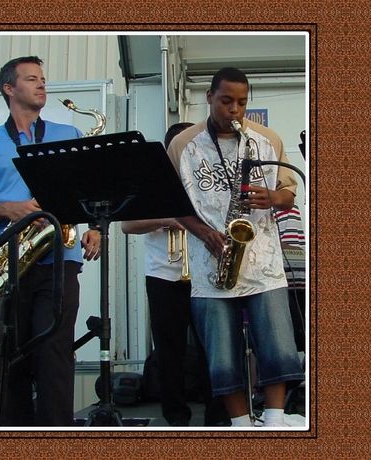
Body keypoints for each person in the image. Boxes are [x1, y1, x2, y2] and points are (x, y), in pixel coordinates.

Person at [0, 56, 101, 426]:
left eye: (43, 79)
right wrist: (9, 209)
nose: (42, 85)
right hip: (8, 262)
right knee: (10, 359)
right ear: (9, 88)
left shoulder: (67, 135)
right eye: (32, 79)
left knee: (55, 355)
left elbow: (89, 188)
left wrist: (95, 226)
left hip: (60, 259)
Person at [166, 67, 304, 428]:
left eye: (242, 102)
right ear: (209, 97)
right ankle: (241, 425)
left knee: (277, 346)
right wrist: (203, 232)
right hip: (211, 262)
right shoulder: (183, 144)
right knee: (222, 356)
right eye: (226, 101)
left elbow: (289, 193)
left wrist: (273, 196)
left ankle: (274, 420)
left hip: (264, 264)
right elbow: (171, 202)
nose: (234, 110)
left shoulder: (267, 140)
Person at [121, 122, 228, 427]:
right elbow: (127, 225)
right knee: (169, 351)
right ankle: (176, 418)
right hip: (163, 275)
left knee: (213, 348)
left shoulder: (206, 178)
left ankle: (218, 417)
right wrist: (168, 219)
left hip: (206, 275)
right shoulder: (151, 183)